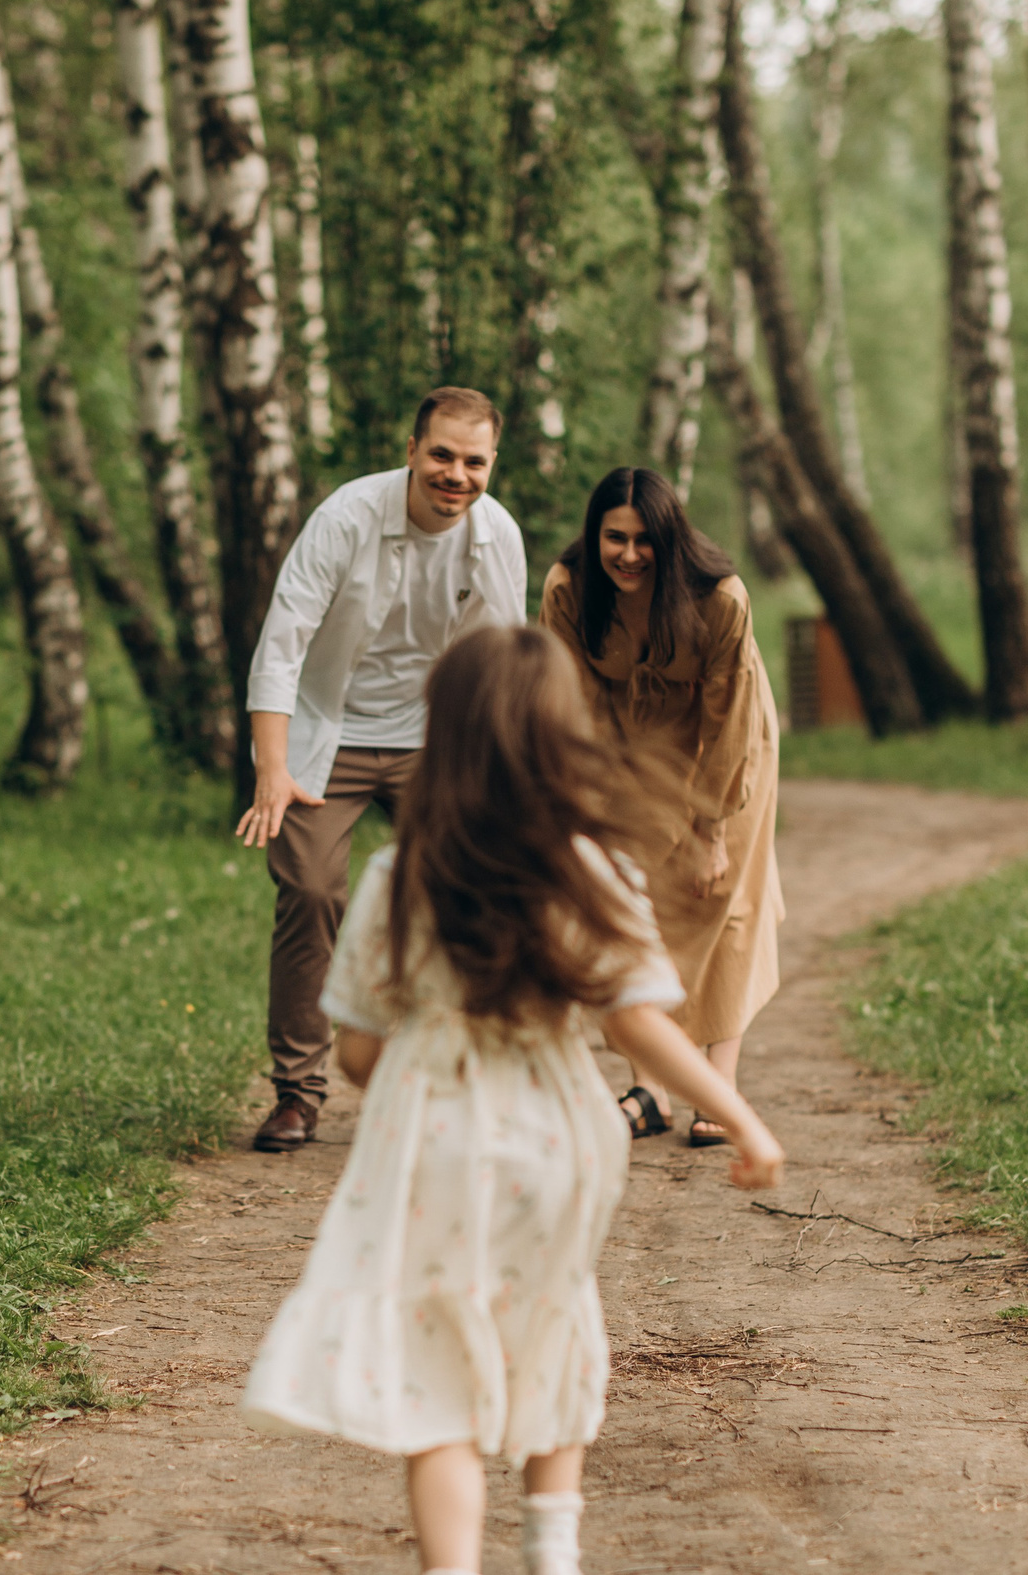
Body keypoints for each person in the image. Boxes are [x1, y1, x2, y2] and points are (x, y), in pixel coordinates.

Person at [239, 626, 786, 1575]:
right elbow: (638, 1026)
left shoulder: (398, 876)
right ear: (560, 735)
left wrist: (415, 1069)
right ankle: (552, 1551)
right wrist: (738, 1113)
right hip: (560, 1140)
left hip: (435, 1141)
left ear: (443, 740)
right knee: (552, 1318)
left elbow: (361, 1047)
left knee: (437, 1368)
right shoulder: (593, 869)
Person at [234, 386, 528, 1153]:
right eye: (441, 454)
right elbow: (283, 643)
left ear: (492, 464)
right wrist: (271, 768)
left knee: (472, 891)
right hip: (323, 734)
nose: (455, 474)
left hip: (435, 738)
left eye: (473, 461)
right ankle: (299, 1093)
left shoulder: (496, 536)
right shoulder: (346, 518)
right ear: (411, 449)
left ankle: (463, 1082)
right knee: (309, 888)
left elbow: (506, 664)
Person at [540, 466, 784, 1148]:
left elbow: (728, 721)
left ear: (669, 539)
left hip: (725, 743)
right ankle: (647, 1089)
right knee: (629, 901)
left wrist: (711, 828)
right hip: (622, 740)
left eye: (645, 539)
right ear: (595, 536)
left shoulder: (720, 600)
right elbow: (569, 709)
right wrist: (580, 815)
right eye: (614, 537)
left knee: (720, 898)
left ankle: (720, 1084)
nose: (628, 553)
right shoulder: (569, 589)